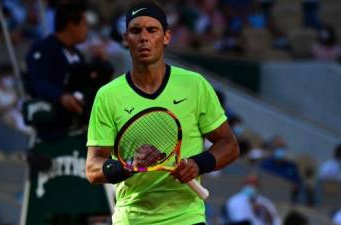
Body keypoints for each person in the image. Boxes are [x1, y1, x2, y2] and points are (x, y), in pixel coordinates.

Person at [85, 1, 240, 224]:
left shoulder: (195, 85)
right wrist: (128, 165)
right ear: (125, 39)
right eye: (136, 31)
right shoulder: (107, 95)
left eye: (152, 30)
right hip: (132, 219)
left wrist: (198, 164)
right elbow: (92, 169)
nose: (144, 37)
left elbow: (229, 145)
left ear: (166, 37)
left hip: (187, 218)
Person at [25, 2, 88, 140]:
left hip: (78, 124)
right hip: (51, 127)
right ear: (71, 24)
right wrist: (61, 96)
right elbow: (37, 81)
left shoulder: (78, 55)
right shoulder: (44, 48)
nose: (87, 29)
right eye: (84, 24)